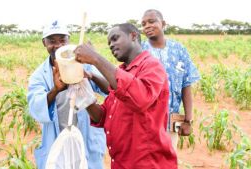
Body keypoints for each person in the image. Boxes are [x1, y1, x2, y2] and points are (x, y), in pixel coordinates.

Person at [74, 23, 177, 169]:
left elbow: (140, 98)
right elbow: (103, 116)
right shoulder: (122, 72)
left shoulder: (152, 66)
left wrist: (95, 58)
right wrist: (85, 97)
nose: (111, 45)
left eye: (115, 39)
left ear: (133, 36)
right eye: (109, 43)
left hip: (147, 163)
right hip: (121, 162)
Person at [27, 20, 106, 169]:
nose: (58, 45)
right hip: (57, 139)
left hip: (86, 137)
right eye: (52, 41)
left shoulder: (84, 64)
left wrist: (92, 69)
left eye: (62, 40)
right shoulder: (39, 75)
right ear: (44, 43)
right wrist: (55, 90)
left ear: (69, 40)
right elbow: (35, 108)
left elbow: (108, 89)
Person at [141, 9, 200, 150]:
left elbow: (186, 85)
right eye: (143, 24)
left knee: (167, 161)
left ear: (163, 23)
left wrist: (188, 120)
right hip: (144, 123)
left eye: (151, 21)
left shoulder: (179, 50)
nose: (147, 26)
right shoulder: (139, 50)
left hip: (170, 122)